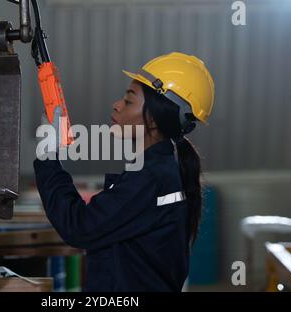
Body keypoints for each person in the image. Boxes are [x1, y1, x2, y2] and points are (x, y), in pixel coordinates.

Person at [33, 52, 215, 291]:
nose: (116, 105)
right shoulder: (159, 169)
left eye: (129, 101)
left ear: (155, 118)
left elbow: (79, 227)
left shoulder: (150, 177)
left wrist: (47, 158)